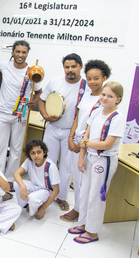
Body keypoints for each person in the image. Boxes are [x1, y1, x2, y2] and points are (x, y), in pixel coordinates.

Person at [69, 81, 125, 244]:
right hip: (89, 157)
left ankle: (92, 232)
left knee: (96, 195)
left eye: (110, 96)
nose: (105, 98)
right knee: (85, 191)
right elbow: (86, 134)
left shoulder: (117, 118)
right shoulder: (96, 112)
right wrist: (81, 157)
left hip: (104, 160)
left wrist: (84, 144)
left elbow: (107, 144)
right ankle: (84, 223)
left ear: (118, 99)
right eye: (103, 94)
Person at [38, 53, 90, 211]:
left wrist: (74, 135)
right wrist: (45, 115)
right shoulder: (55, 82)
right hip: (52, 129)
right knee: (46, 163)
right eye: (67, 67)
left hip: (71, 133)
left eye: (73, 66)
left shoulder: (86, 86)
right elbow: (41, 99)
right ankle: (44, 194)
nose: (70, 70)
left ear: (80, 66)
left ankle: (61, 197)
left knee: (67, 167)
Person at [61, 60, 110, 222]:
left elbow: (96, 126)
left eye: (96, 78)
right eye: (89, 78)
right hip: (77, 142)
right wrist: (70, 137)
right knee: (78, 179)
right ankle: (79, 208)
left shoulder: (104, 100)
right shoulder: (86, 95)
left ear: (104, 78)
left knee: (85, 182)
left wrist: (83, 143)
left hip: (90, 146)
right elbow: (78, 117)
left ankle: (80, 211)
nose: (92, 82)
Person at [0, 40, 42, 185]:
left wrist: (34, 101)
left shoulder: (32, 71)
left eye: (24, 52)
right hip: (2, 112)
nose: (20, 55)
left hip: (20, 115)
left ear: (27, 53)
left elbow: (39, 91)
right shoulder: (3, 66)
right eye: (18, 51)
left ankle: (9, 179)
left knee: (16, 148)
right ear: (13, 52)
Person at [13, 140, 60, 219]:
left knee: (32, 198)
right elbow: (16, 174)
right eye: (33, 153)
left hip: (46, 190)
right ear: (29, 154)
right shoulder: (29, 161)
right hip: (34, 186)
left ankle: (37, 205)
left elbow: (56, 190)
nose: (36, 156)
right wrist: (23, 186)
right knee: (17, 184)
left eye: (39, 152)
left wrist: (42, 209)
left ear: (44, 152)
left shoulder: (50, 166)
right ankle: (25, 205)